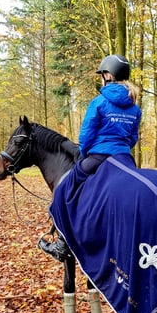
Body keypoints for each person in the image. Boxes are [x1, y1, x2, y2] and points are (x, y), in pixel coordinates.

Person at [39, 54, 142, 261]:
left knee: (63, 190)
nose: (101, 77)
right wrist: (121, 150)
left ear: (108, 75)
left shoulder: (99, 102)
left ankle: (61, 245)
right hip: (125, 159)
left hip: (99, 156)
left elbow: (85, 135)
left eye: (102, 74)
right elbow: (133, 138)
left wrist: (85, 154)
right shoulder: (135, 107)